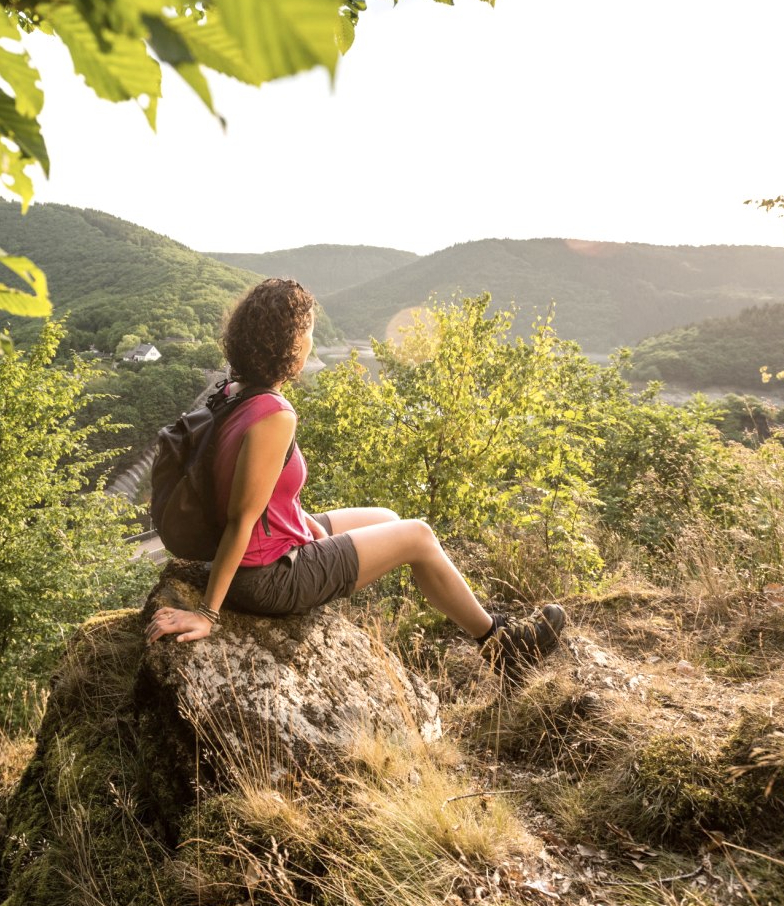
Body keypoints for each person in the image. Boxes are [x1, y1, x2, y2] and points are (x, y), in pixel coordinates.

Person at [144, 278, 566, 676]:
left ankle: (473, 612)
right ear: (288, 343)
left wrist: (310, 530)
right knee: (418, 536)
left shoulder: (233, 392)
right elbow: (243, 518)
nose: (311, 339)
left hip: (267, 547)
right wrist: (207, 614)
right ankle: (501, 644)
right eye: (307, 330)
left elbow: (266, 493)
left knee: (387, 517)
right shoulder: (274, 414)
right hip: (265, 577)